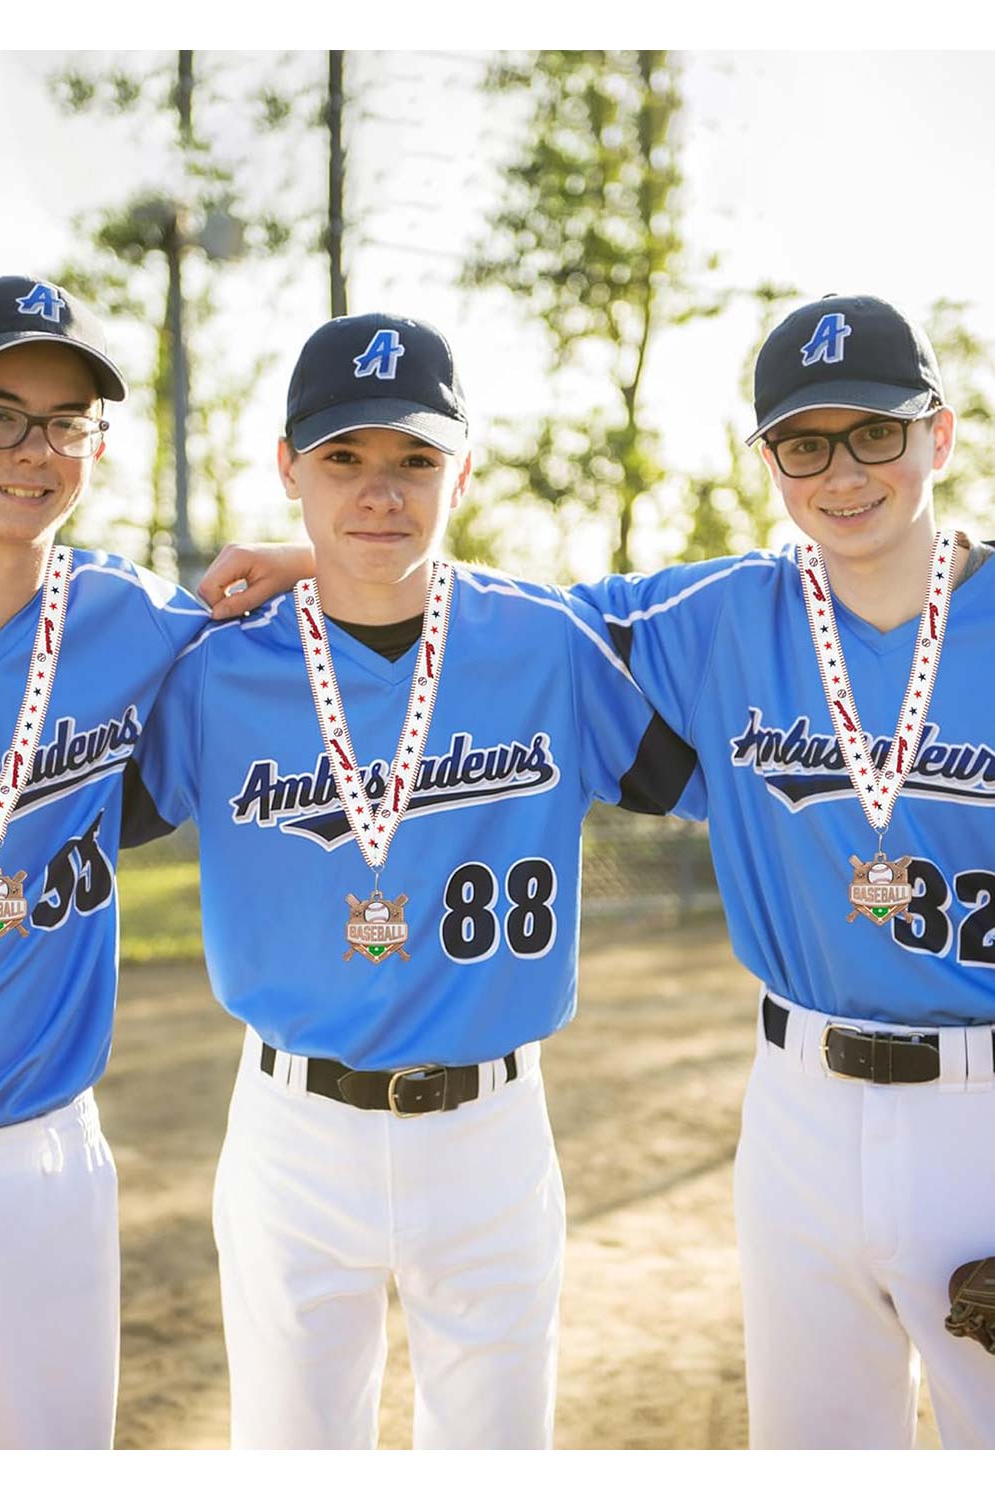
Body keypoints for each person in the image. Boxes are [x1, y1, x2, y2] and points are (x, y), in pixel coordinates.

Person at [125, 311, 706, 1449]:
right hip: (292, 1130)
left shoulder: (548, 644)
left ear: (464, 470)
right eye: (343, 459)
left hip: (490, 1129)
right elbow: (54, 801)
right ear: (288, 467)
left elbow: (732, 745)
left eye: (414, 461)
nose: (379, 492)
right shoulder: (216, 670)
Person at [568, 293, 995, 1448]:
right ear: (769, 461)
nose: (843, 472)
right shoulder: (722, 611)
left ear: (939, 437)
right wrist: (331, 557)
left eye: (876, 433)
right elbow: (504, 630)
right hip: (798, 1106)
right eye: (805, 443)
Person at [0, 274, 232, 1449]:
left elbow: (314, 634)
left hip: (45, 1164)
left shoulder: (136, 617)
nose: (34, 449)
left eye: (66, 421)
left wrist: (293, 555)